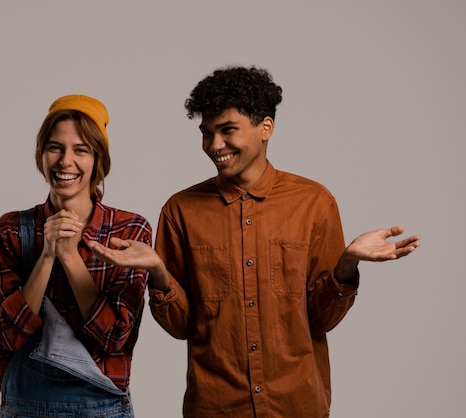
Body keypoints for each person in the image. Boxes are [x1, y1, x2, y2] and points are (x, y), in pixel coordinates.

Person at [88, 66, 421, 417]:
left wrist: (347, 263)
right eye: (207, 133)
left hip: (297, 406)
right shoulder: (179, 211)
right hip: (215, 408)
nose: (214, 145)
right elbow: (181, 326)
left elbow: (320, 320)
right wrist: (158, 271)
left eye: (227, 130)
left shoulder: (314, 204)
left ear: (266, 128)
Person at [0, 94, 152, 417]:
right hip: (27, 407)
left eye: (81, 150)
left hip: (102, 408)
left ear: (98, 160)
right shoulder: (9, 230)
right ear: (41, 155)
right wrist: (47, 254)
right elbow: (10, 335)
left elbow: (114, 337)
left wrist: (70, 256)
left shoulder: (129, 230)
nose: (66, 161)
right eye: (55, 148)